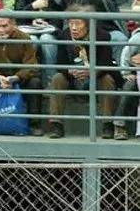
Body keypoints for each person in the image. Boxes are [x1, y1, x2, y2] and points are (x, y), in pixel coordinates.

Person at [46, 9, 117, 139]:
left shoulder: (102, 36)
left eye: (78, 24)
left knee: (107, 80)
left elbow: (106, 64)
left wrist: (90, 72)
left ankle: (107, 124)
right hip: (72, 77)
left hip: (96, 76)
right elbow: (60, 63)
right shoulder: (64, 35)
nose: (73, 28)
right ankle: (56, 125)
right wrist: (69, 71)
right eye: (71, 23)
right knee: (57, 79)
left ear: (88, 24)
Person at [113, 29, 140, 140]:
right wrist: (126, 73)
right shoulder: (137, 38)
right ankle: (119, 125)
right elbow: (126, 54)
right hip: (136, 73)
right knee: (130, 85)